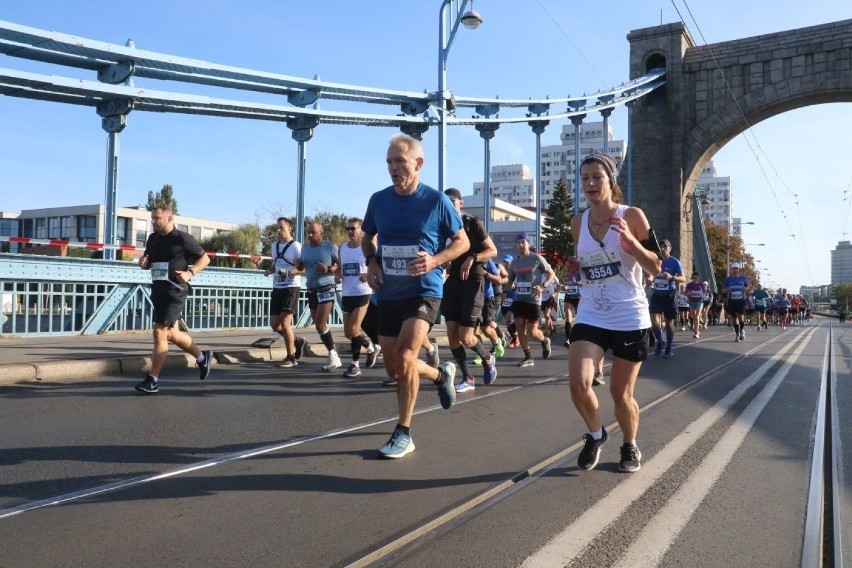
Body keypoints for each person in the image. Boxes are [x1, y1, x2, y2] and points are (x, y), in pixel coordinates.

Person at [362, 133, 468, 459]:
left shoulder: (437, 201)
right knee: (395, 370)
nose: (394, 168)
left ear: (418, 163)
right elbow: (368, 239)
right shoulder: (378, 200)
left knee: (408, 357)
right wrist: (372, 261)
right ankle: (441, 373)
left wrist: (435, 260)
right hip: (390, 292)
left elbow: (462, 242)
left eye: (400, 161)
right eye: (390, 162)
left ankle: (404, 432)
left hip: (425, 290)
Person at [565, 152, 662, 473]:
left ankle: (629, 444)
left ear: (611, 181)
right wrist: (575, 267)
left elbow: (656, 266)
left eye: (597, 177)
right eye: (585, 178)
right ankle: (596, 434)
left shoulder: (632, 215)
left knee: (621, 395)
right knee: (578, 383)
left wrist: (632, 242)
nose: (590, 184)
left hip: (629, 316)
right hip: (592, 311)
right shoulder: (577, 223)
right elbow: (587, 267)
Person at [135, 203, 214, 394]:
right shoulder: (152, 239)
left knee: (159, 332)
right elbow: (149, 260)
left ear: (169, 218)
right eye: (152, 218)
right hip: (158, 290)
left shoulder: (182, 238)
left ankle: (152, 380)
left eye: (157, 218)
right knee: (171, 334)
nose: (154, 221)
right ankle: (203, 357)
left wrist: (190, 272)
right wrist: (143, 263)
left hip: (175, 290)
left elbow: (205, 258)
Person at [441, 187, 498, 393]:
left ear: (460, 203)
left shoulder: (473, 223)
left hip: (473, 282)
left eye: (452, 201)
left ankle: (487, 357)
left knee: (466, 337)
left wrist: (472, 257)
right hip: (453, 282)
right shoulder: (442, 225)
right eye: (445, 202)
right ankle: (468, 377)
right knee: (452, 334)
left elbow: (492, 250)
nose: (449, 205)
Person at [337, 217, 380, 377]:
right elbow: (340, 268)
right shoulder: (342, 248)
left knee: (354, 328)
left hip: (364, 292)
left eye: (353, 228)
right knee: (349, 333)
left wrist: (368, 275)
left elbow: (378, 268)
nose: (349, 232)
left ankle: (355, 365)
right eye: (347, 229)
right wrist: (337, 274)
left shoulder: (367, 247)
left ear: (361, 230)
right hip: (347, 293)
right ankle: (370, 347)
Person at [508, 233, 557, 368]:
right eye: (518, 243)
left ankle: (544, 340)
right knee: (519, 327)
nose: (521, 245)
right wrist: (509, 287)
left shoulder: (537, 258)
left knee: (532, 331)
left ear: (528, 243)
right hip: (519, 299)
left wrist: (542, 286)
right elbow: (510, 281)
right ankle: (528, 356)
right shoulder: (514, 263)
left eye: (523, 242)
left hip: (534, 299)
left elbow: (551, 274)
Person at [298, 221, 342, 372]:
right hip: (311, 289)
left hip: (326, 288)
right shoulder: (304, 248)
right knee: (318, 325)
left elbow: (340, 266)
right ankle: (333, 353)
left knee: (320, 324)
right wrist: (298, 264)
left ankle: (333, 355)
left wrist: (328, 268)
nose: (310, 235)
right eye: (308, 232)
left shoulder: (330, 247)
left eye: (313, 232)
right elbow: (301, 267)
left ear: (321, 233)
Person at [264, 216, 307, 368]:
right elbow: (275, 265)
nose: (278, 230)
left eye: (281, 228)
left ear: (289, 229)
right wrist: (268, 270)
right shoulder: (274, 246)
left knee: (285, 322)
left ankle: (291, 357)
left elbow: (304, 270)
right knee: (275, 325)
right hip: (277, 288)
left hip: (291, 287)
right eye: (277, 227)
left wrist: (290, 272)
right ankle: (298, 341)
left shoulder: (296, 246)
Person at [648, 239, 685, 358]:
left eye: (665, 246)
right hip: (657, 295)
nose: (662, 248)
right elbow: (650, 273)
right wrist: (649, 279)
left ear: (670, 248)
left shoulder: (674, 262)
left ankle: (669, 348)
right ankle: (660, 342)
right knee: (654, 322)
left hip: (669, 295)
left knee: (669, 323)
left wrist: (672, 277)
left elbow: (683, 279)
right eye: (661, 246)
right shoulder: (655, 260)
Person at [723, 262, 749, 341]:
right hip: (731, 300)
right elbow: (723, 290)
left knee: (740, 316)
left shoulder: (743, 278)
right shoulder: (728, 279)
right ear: (732, 269)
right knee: (734, 317)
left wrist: (746, 289)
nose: (735, 270)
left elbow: (747, 287)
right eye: (734, 268)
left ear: (738, 269)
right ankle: (737, 334)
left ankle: (741, 331)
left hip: (741, 300)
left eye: (736, 268)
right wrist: (727, 289)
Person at [684, 273, 706, 339]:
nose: (694, 279)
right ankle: (696, 326)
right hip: (692, 302)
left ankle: (696, 332)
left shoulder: (701, 285)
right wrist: (688, 294)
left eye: (696, 278)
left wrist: (703, 296)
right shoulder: (689, 285)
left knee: (697, 315)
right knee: (693, 316)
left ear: (698, 278)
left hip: (699, 301)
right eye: (693, 278)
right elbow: (685, 292)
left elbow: (705, 291)